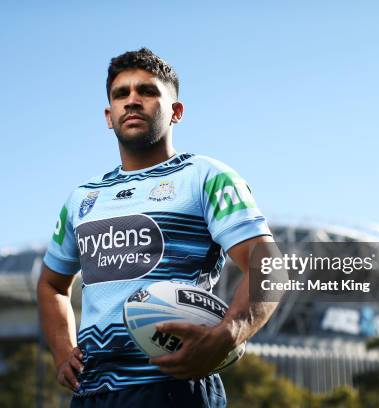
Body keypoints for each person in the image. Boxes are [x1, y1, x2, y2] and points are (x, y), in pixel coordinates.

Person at [37, 48, 279, 408]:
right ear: (109, 115)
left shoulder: (206, 177)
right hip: (92, 393)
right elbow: (52, 284)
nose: (132, 101)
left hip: (174, 386)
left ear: (176, 111)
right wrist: (62, 351)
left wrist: (228, 333)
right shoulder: (82, 197)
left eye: (147, 91)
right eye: (121, 94)